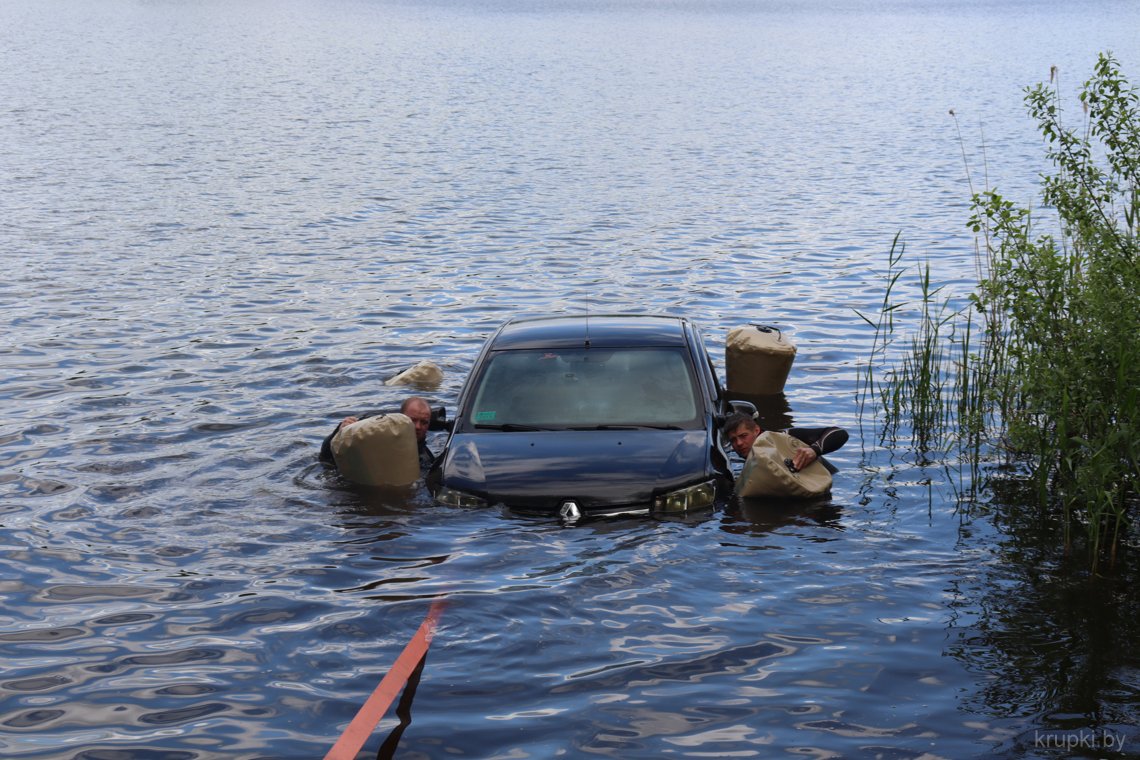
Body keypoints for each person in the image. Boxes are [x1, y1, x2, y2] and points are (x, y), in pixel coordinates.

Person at [320, 396, 437, 471]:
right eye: (412, 420)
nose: (418, 427)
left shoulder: (426, 458)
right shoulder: (377, 437)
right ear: (400, 418)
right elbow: (325, 459)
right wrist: (340, 433)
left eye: (424, 422)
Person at [722, 412, 848, 472]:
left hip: (829, 482)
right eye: (733, 440)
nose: (738, 443)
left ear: (756, 430)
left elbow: (839, 433)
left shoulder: (783, 438)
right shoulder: (751, 461)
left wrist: (814, 450)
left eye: (743, 436)